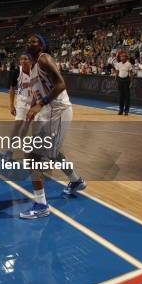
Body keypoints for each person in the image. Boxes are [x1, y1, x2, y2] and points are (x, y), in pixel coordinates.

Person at [20, 34, 86, 219]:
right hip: (49, 112)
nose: (29, 43)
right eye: (28, 40)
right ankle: (75, 181)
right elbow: (39, 93)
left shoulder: (44, 58)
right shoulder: (33, 67)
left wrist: (40, 105)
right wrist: (32, 109)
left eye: (34, 41)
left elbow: (61, 84)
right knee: (53, 152)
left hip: (59, 111)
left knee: (33, 155)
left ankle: (41, 204)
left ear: (42, 45)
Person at [112, 51, 133, 115]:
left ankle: (126, 111)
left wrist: (131, 82)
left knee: (127, 96)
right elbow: (117, 72)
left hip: (126, 81)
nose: (122, 57)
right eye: (121, 56)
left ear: (126, 57)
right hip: (120, 80)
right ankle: (120, 110)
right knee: (121, 96)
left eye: (123, 56)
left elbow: (131, 73)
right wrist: (115, 80)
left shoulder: (129, 64)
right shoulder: (119, 64)